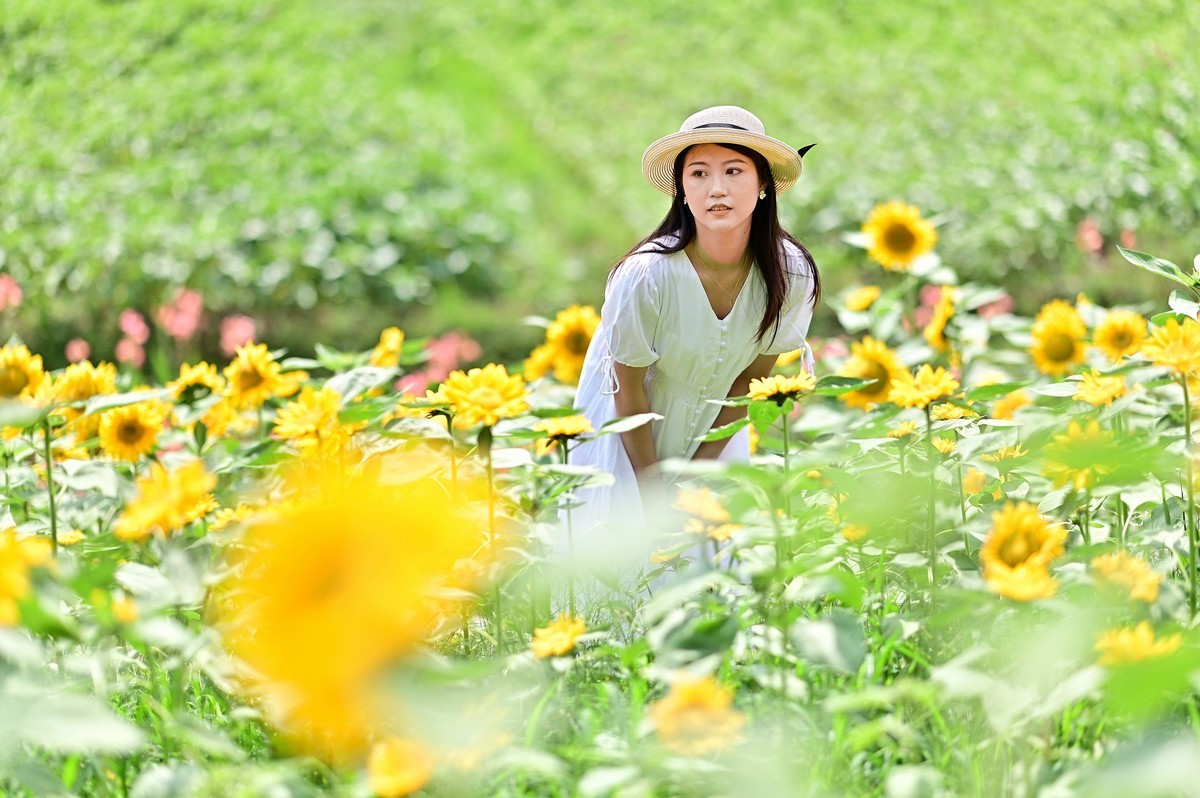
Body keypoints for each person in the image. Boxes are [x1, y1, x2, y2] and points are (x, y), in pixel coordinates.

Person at [567, 105, 822, 558]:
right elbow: (627, 388)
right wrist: (655, 492)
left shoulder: (791, 275)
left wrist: (695, 474)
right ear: (681, 189)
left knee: (714, 576)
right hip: (629, 433)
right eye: (699, 174)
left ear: (763, 184)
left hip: (721, 428)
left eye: (734, 171)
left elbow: (750, 384)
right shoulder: (646, 275)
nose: (716, 189)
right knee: (621, 570)